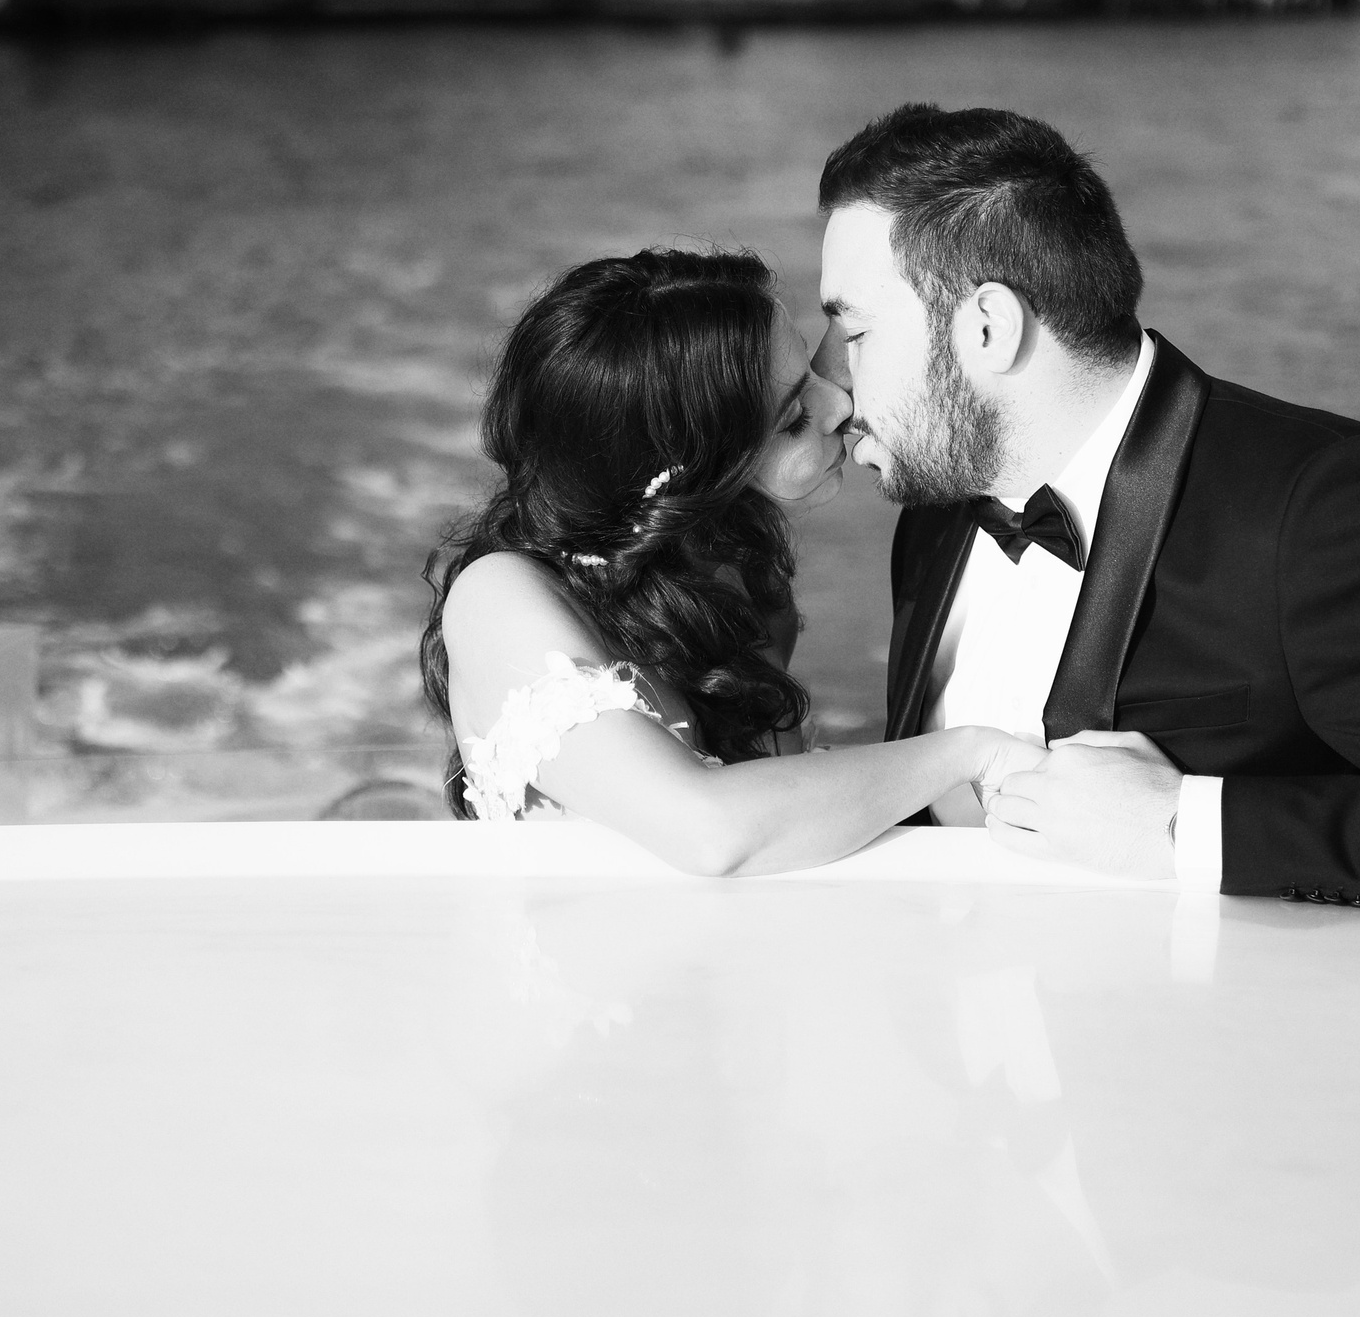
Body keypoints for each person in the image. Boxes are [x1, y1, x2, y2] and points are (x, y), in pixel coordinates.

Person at [813, 103, 1360, 918]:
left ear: (988, 329)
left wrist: (1188, 824)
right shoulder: (935, 515)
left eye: (853, 335)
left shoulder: (1316, 507)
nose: (834, 384)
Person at [421, 248, 1044, 876]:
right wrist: (973, 755)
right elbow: (709, 831)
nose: (841, 407)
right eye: (796, 416)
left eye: (811, 372)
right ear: (693, 467)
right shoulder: (497, 597)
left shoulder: (735, 570)